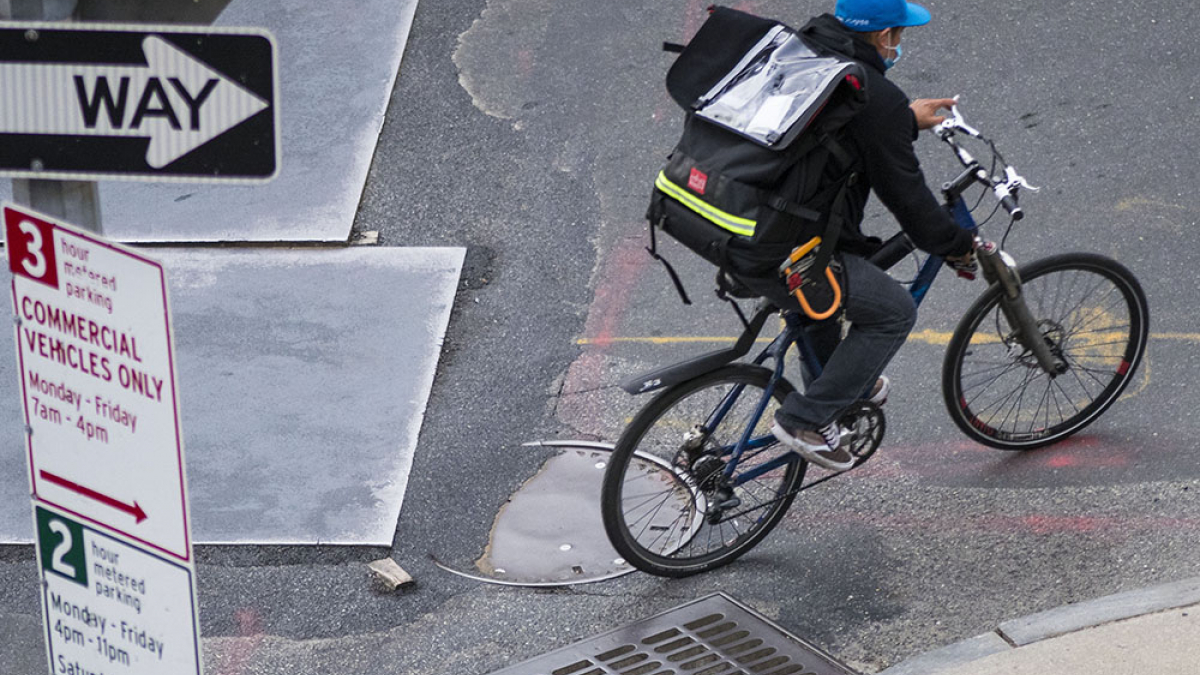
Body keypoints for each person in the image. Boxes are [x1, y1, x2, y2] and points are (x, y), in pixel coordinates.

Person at [769, 0, 976, 471]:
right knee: (892, 312)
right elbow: (909, 201)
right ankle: (806, 419)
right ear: (883, 37)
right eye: (898, 34)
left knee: (825, 306)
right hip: (791, 249)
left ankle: (846, 391)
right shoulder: (874, 94)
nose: (899, 43)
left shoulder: (807, 53)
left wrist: (901, 118)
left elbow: (840, 127)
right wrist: (957, 244)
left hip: (740, 226)